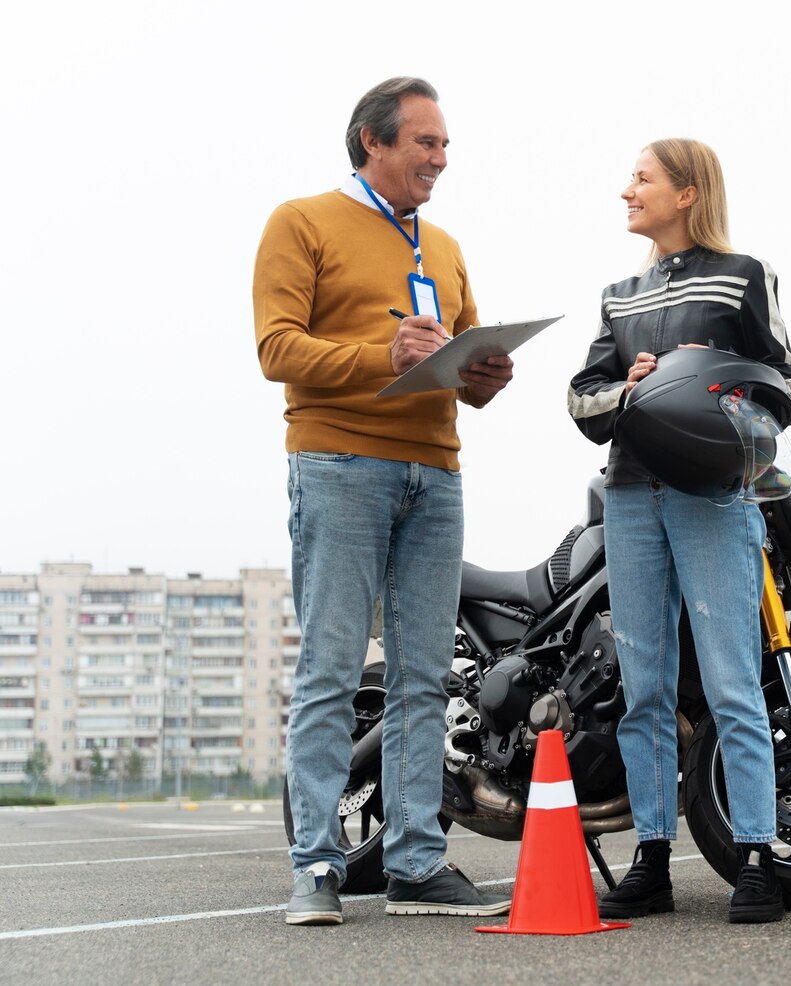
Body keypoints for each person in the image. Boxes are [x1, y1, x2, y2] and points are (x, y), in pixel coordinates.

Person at [253, 76, 515, 926]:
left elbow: (454, 366)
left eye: (444, 145)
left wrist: (486, 375)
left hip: (434, 474)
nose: (442, 158)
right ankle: (317, 868)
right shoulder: (301, 221)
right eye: (426, 143)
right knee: (331, 671)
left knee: (425, 680)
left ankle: (415, 861)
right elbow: (276, 348)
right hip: (339, 464)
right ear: (373, 141)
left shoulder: (442, 244)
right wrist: (382, 356)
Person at [567, 139, 791, 924]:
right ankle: (651, 856)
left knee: (734, 682)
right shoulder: (619, 294)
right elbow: (581, 400)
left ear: (687, 193)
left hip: (713, 499)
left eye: (641, 178)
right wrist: (628, 388)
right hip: (631, 498)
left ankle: (757, 858)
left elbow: (790, 385)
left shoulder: (744, 278)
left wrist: (713, 389)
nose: (627, 190)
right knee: (645, 689)